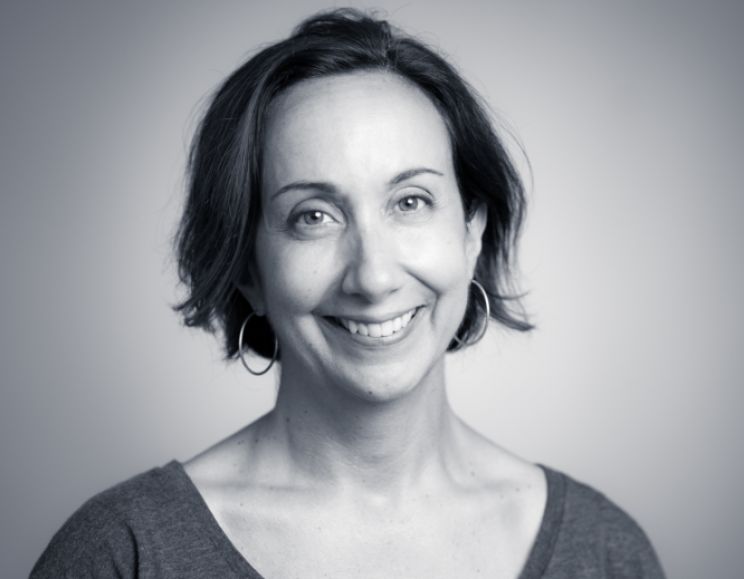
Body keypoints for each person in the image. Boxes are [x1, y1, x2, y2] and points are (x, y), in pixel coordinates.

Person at [31, 9, 665, 579]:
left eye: (410, 202)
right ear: (247, 267)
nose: (373, 276)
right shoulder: (125, 552)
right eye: (313, 216)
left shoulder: (603, 551)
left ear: (472, 229)